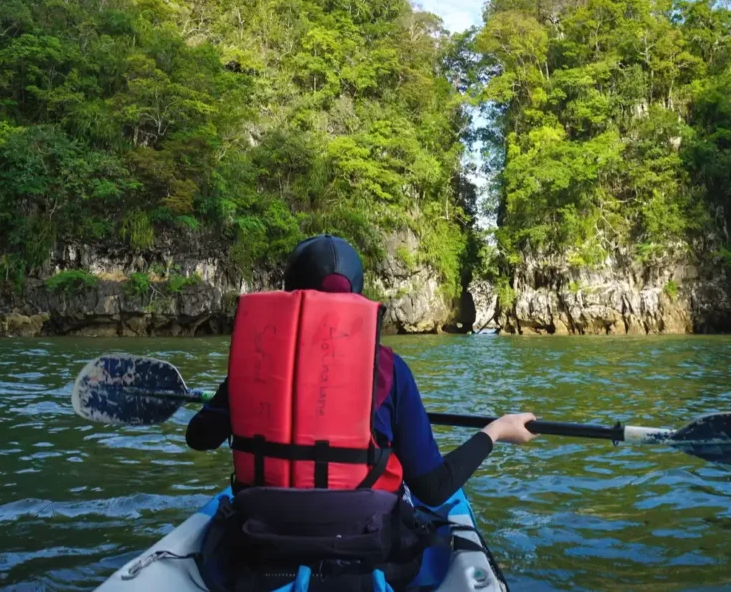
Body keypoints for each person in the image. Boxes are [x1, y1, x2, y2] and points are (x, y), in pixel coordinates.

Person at [186, 234, 537, 592]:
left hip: (259, 541)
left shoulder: (252, 364)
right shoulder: (389, 369)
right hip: (368, 545)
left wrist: (228, 398)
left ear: (289, 292)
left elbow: (198, 437)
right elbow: (433, 489)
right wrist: (497, 430)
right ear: (357, 294)